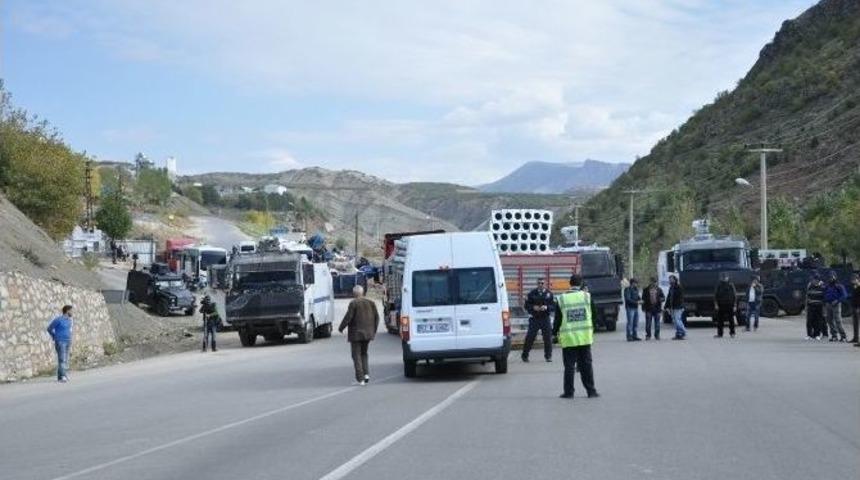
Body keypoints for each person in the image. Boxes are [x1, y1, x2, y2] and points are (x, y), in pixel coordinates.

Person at [553, 274, 599, 399]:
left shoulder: (562, 299)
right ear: (581, 283)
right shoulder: (587, 296)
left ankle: (569, 392)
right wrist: (592, 329)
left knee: (569, 366)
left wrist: (554, 334)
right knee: (586, 365)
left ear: (570, 283)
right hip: (584, 337)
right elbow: (594, 315)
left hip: (569, 338)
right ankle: (591, 391)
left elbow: (557, 319)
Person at [338, 285, 380, 385]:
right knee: (364, 354)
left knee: (356, 355)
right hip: (368, 334)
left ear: (354, 294)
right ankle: (366, 374)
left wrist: (341, 328)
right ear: (363, 292)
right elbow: (377, 318)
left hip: (356, 335)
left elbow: (348, 317)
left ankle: (360, 378)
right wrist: (373, 331)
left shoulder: (353, 303)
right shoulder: (371, 303)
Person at [522, 278, 554, 362]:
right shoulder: (532, 293)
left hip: (545, 318)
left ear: (545, 284)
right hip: (534, 318)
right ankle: (525, 355)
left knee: (547, 338)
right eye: (539, 283)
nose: (540, 285)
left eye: (542, 283)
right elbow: (526, 305)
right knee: (530, 337)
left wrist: (546, 307)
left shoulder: (549, 294)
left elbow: (553, 306)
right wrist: (533, 307)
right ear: (537, 284)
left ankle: (548, 356)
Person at [46, 305, 74, 383]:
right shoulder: (58, 320)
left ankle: (60, 377)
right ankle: (63, 376)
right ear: (67, 311)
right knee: (62, 359)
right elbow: (49, 328)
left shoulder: (69, 320)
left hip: (68, 341)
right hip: (60, 341)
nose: (72, 312)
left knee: (65, 359)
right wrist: (54, 336)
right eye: (71, 311)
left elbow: (69, 330)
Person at [823, 273, 848, 342]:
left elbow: (844, 295)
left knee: (838, 321)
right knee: (829, 320)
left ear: (835, 277)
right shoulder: (827, 286)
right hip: (828, 304)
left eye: (832, 277)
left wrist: (837, 301)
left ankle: (843, 336)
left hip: (836, 305)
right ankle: (834, 336)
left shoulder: (839, 286)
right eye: (829, 277)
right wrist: (825, 301)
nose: (830, 278)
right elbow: (824, 294)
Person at [714, 273, 738, 338]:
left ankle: (732, 333)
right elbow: (715, 295)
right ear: (721, 278)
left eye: (726, 277)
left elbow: (735, 296)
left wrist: (735, 305)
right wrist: (716, 304)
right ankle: (720, 334)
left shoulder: (731, 285)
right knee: (720, 321)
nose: (724, 278)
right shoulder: (719, 285)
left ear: (728, 278)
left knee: (731, 320)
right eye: (723, 277)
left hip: (730, 304)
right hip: (721, 305)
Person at [665, 275, 686, 340]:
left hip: (678, 307)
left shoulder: (678, 287)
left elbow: (680, 298)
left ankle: (683, 331)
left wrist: (679, 305)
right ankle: (678, 333)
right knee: (674, 321)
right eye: (669, 279)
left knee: (677, 320)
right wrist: (666, 306)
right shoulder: (671, 287)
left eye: (671, 279)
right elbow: (669, 297)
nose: (670, 281)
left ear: (675, 279)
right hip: (672, 307)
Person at [805, 275, 825, 340]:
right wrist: (806, 305)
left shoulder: (822, 286)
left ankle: (817, 334)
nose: (813, 281)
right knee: (809, 320)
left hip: (819, 306)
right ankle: (809, 335)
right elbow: (807, 295)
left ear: (818, 280)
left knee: (818, 321)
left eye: (814, 280)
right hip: (811, 305)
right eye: (812, 280)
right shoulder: (810, 286)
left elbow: (824, 296)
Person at [850, 275, 860, 345]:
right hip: (854, 307)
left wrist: (858, 308)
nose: (853, 281)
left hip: (858, 307)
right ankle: (855, 338)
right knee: (855, 324)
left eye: (854, 279)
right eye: (852, 279)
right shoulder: (854, 287)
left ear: (858, 279)